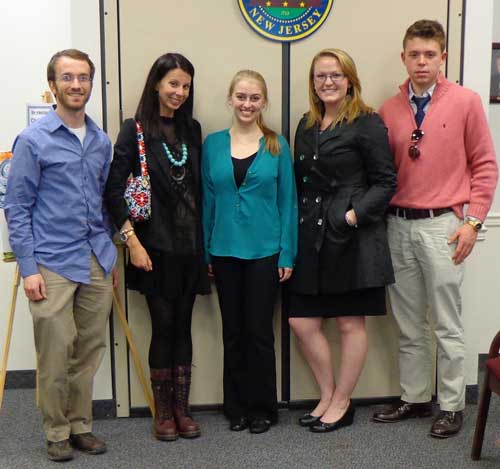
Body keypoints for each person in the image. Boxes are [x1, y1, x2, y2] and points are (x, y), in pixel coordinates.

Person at [372, 20, 498, 438]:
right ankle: (415, 397)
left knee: (447, 322)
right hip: (397, 225)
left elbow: (485, 166)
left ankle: (451, 405)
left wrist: (473, 222)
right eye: (414, 54)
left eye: (430, 54)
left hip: (444, 226)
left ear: (442, 57)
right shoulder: (388, 110)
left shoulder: (466, 101)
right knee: (409, 323)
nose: (421, 62)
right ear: (404, 56)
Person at [4, 49, 117, 461]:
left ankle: (80, 426)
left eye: (83, 77)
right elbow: (17, 208)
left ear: (91, 83)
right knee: (55, 352)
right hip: (50, 261)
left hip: (95, 258)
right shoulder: (33, 141)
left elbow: (105, 202)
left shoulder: (101, 141)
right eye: (67, 78)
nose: (76, 85)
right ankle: (55, 432)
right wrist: (29, 268)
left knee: (89, 351)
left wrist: (109, 257)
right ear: (52, 85)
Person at [288, 48, 397, 433]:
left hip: (352, 237)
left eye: (335, 75)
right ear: (313, 82)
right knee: (302, 321)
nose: (328, 82)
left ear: (349, 79)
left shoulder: (367, 122)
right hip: (310, 235)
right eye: (320, 76)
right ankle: (328, 393)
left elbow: (386, 182)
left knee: (351, 323)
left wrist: (352, 215)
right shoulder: (307, 122)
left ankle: (343, 401)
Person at [105, 53, 209, 441]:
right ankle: (162, 412)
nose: (179, 92)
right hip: (151, 249)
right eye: (173, 84)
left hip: (189, 248)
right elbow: (113, 190)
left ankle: (182, 411)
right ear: (156, 85)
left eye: (185, 85)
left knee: (184, 327)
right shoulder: (134, 129)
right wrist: (130, 242)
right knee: (162, 327)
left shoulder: (192, 130)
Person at [202, 70, 298, 434]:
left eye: (254, 98)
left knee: (259, 332)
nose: (247, 104)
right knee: (233, 331)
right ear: (230, 99)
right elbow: (208, 201)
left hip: (265, 252)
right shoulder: (212, 144)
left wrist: (287, 254)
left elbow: (287, 203)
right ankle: (236, 407)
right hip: (224, 250)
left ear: (264, 102)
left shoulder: (277, 145)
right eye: (241, 97)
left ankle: (263, 407)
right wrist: (207, 252)